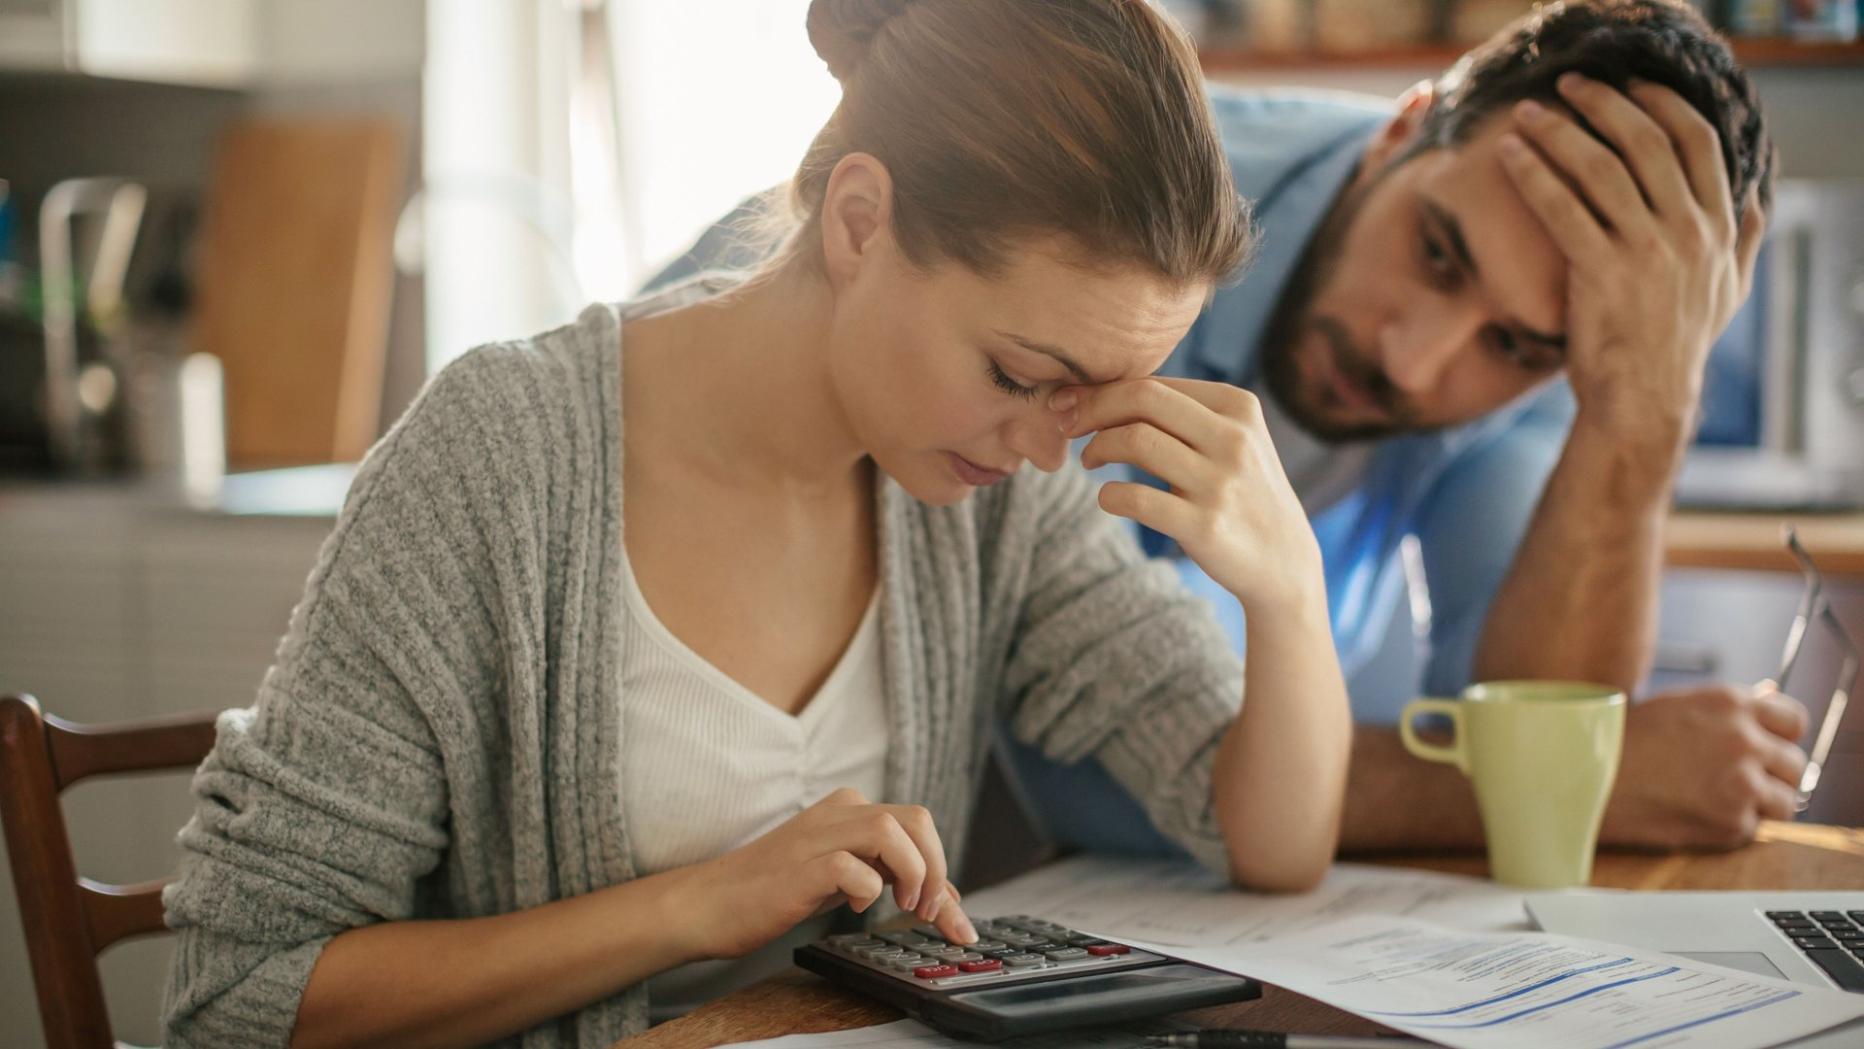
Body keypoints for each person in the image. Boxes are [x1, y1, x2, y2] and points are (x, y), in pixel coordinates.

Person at [160, 3, 1352, 1047]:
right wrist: (696, 901)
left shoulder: (986, 495)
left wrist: (1286, 591)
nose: (1052, 444)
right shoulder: (499, 459)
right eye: (1018, 371)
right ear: (858, 220)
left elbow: (1268, 840)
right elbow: (242, 993)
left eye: (1091, 395)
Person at [658, 0, 1796, 859]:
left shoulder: (1565, 343)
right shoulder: (1111, 247)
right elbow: (1108, 778)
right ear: (1401, 129)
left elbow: (1528, 757)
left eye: (1516, 348)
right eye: (1435, 253)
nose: (1416, 358)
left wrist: (1639, 416)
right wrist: (1540, 786)